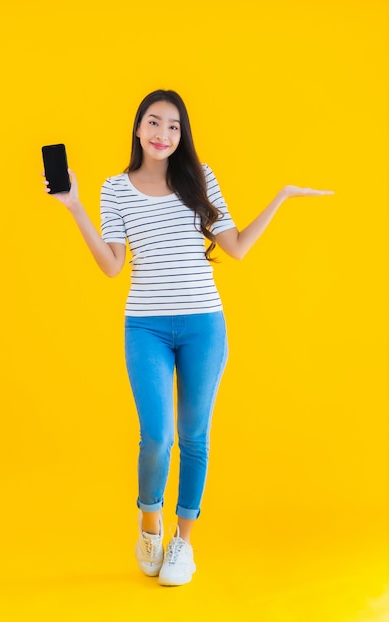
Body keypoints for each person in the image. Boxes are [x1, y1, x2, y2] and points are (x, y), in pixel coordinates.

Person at [42, 89, 333, 586]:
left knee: (195, 438)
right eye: (154, 123)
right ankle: (149, 522)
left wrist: (280, 198)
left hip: (204, 325)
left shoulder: (199, 179)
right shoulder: (115, 188)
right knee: (158, 435)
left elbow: (236, 248)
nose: (163, 134)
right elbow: (113, 266)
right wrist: (73, 207)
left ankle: (183, 544)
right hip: (147, 326)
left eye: (174, 127)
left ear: (182, 135)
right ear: (138, 128)